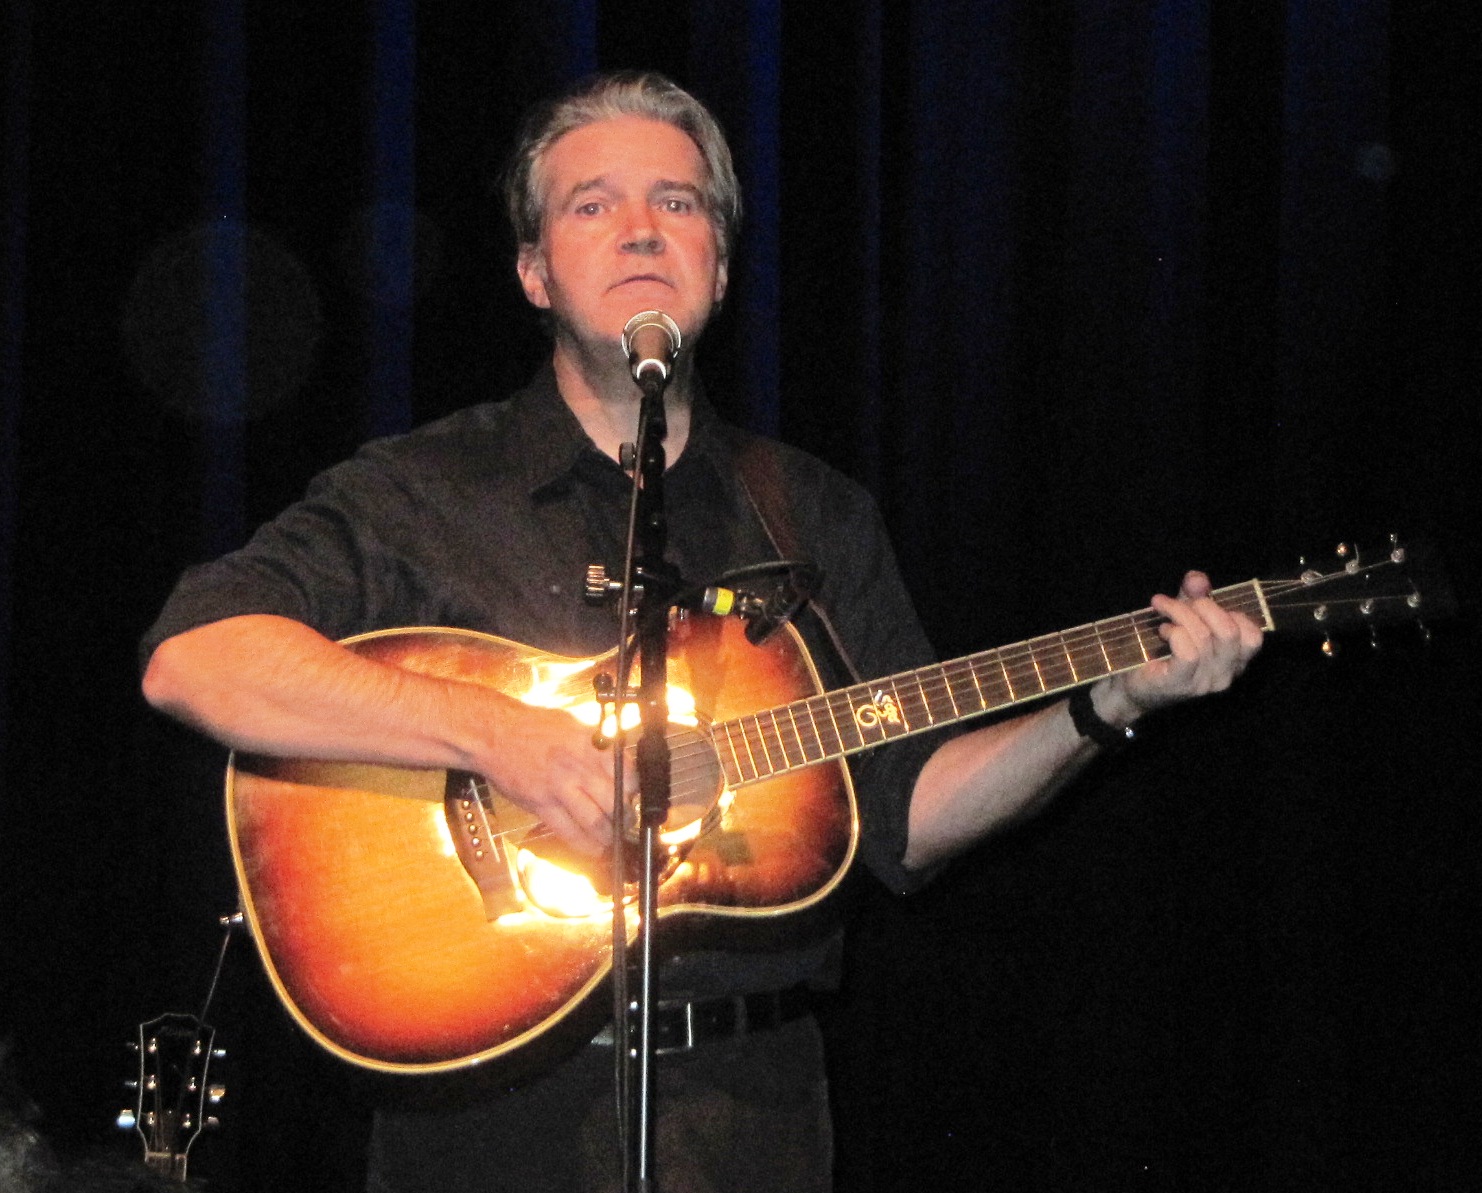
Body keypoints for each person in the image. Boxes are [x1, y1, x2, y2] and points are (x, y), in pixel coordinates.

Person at [140, 71, 1262, 1193]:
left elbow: (908, 818)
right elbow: (196, 656)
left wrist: (1106, 703)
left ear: (718, 266)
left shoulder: (813, 511)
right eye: (593, 204)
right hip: (481, 1121)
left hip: (753, 1112)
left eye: (678, 204)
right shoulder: (422, 488)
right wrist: (493, 734)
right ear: (533, 270)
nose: (640, 229)